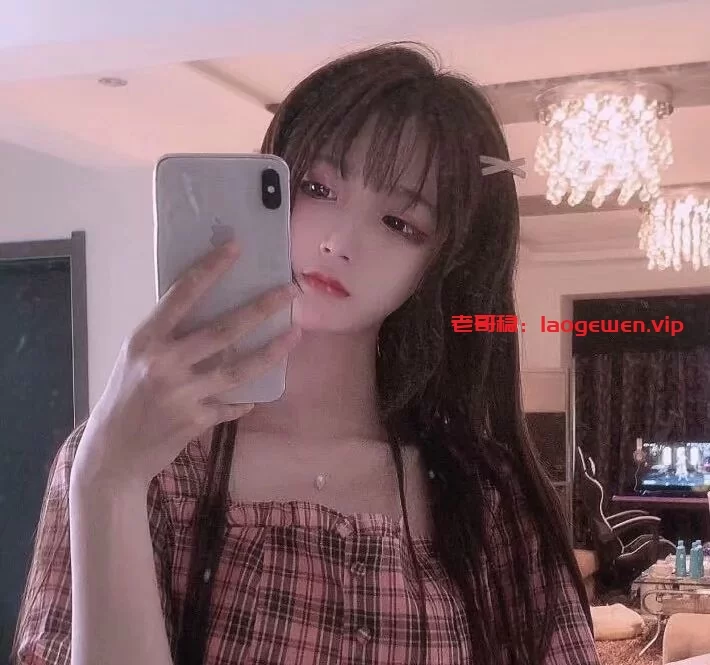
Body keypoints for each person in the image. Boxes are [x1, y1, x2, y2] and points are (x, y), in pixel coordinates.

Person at [12, 42, 599, 665]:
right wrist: (107, 480)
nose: (339, 242)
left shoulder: (484, 500)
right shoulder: (146, 463)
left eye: (400, 223)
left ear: (440, 265)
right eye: (318, 187)